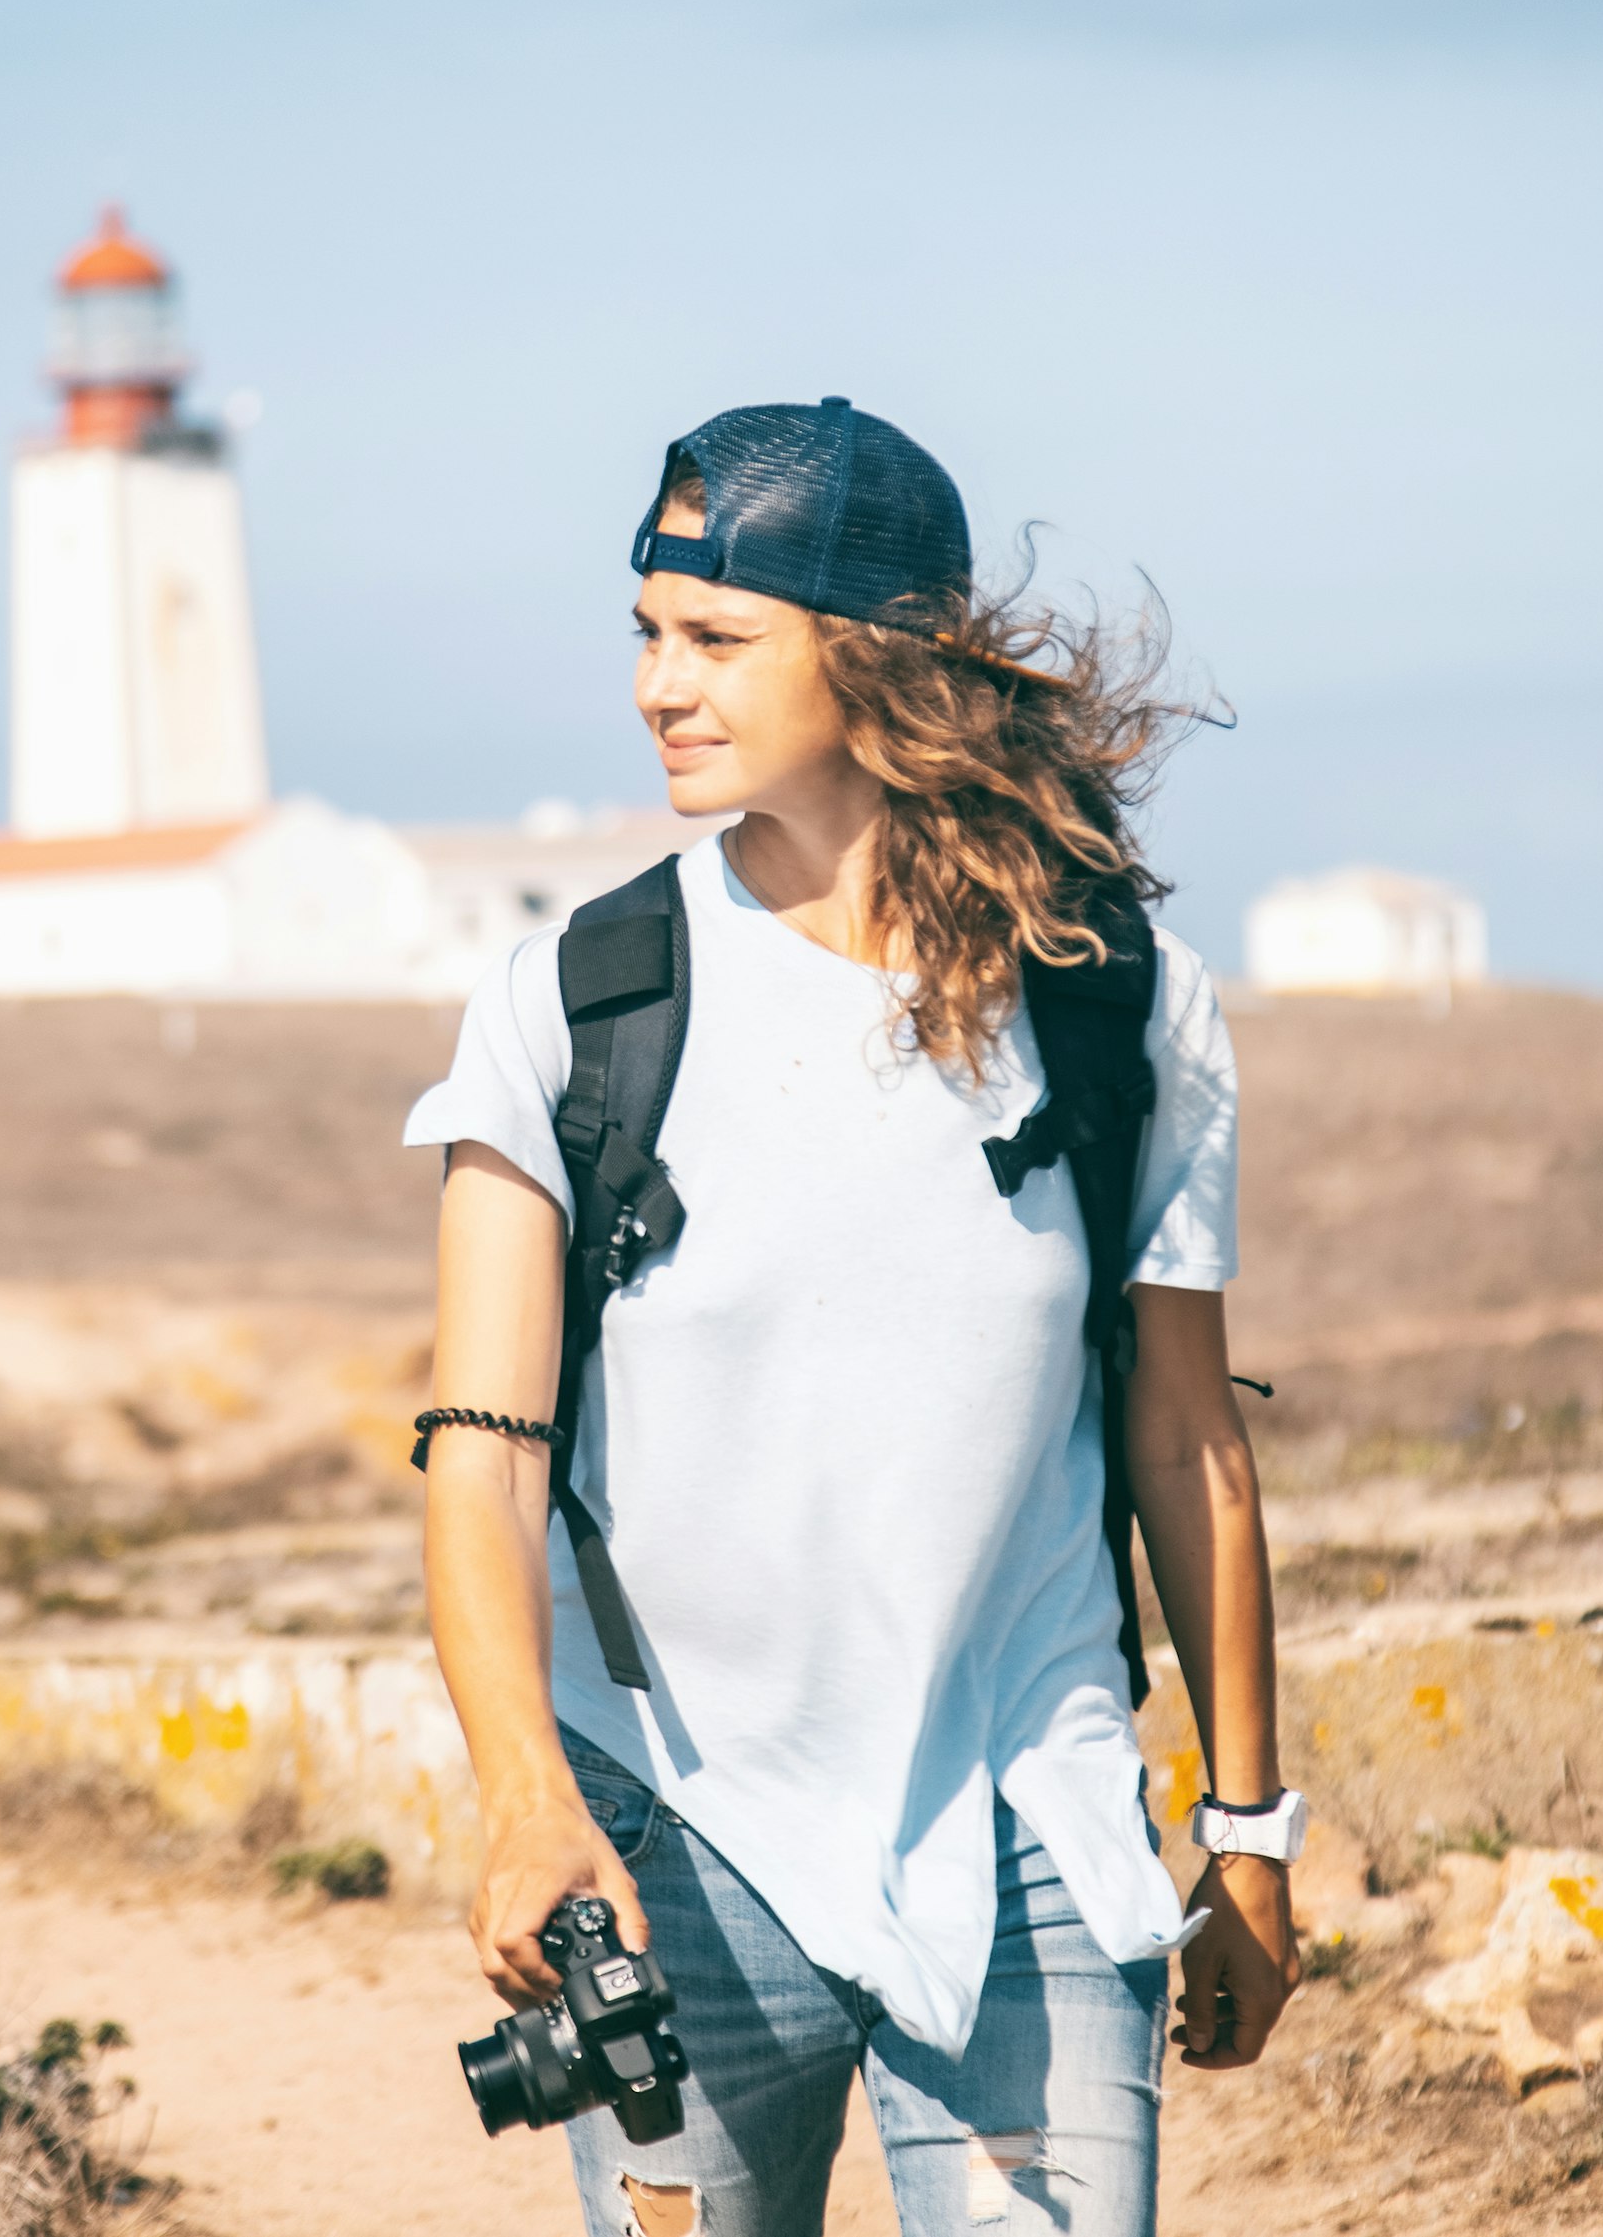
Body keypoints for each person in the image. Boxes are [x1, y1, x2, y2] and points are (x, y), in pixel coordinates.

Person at [407, 398, 1300, 2237]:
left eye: (717, 638)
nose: (660, 683)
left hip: (1031, 1820)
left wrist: (1252, 1828)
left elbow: (1188, 1435)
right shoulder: (576, 1005)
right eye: (647, 631)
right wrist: (522, 1801)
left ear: (880, 658)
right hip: (672, 1836)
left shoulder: (1114, 999)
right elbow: (481, 1463)